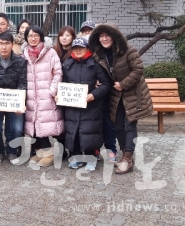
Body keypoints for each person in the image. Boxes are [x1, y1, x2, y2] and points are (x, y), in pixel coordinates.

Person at [88, 23, 153, 174]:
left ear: (115, 35)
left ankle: (128, 159)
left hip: (133, 93)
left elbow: (138, 69)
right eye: (101, 36)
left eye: (107, 35)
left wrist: (123, 84)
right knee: (117, 125)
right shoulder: (99, 54)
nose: (104, 39)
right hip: (115, 95)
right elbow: (101, 73)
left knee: (130, 124)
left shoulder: (129, 50)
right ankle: (125, 155)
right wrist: (99, 80)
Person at [60, 37, 111, 171]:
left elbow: (106, 84)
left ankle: (91, 158)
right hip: (72, 106)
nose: (78, 50)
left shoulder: (95, 64)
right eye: (75, 48)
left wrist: (94, 94)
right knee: (73, 132)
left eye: (81, 48)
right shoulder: (67, 64)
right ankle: (75, 157)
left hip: (91, 107)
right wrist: (59, 95)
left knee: (90, 132)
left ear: (87, 49)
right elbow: (62, 84)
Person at [0, 31, 27, 164]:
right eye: (0, 43)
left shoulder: (20, 62)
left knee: (18, 128)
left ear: (12, 45)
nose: (4, 47)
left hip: (14, 100)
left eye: (7, 43)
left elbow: (23, 83)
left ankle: (12, 151)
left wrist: (20, 101)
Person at [22, 25, 63, 167]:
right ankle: (40, 152)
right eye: (30, 36)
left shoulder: (50, 52)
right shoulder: (24, 54)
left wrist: (52, 91)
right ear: (26, 38)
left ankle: (49, 153)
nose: (33, 38)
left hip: (46, 95)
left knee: (44, 125)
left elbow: (58, 72)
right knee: (33, 125)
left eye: (36, 35)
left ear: (41, 37)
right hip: (30, 96)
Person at [81, 20, 117, 162]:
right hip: (88, 96)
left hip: (105, 92)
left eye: (90, 31)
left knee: (108, 123)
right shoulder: (82, 49)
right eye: (84, 31)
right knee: (94, 125)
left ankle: (111, 150)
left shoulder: (102, 49)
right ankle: (94, 150)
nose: (87, 34)